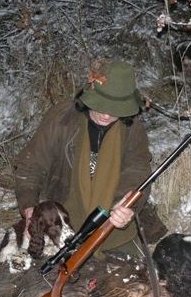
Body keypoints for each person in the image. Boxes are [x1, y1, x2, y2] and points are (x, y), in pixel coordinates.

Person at [14, 59, 165, 256]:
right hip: (63, 219)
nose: (106, 115)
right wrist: (29, 209)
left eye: (116, 109)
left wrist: (125, 206)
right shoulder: (61, 119)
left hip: (110, 223)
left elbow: (137, 170)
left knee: (133, 269)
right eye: (102, 105)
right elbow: (30, 167)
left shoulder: (132, 128)